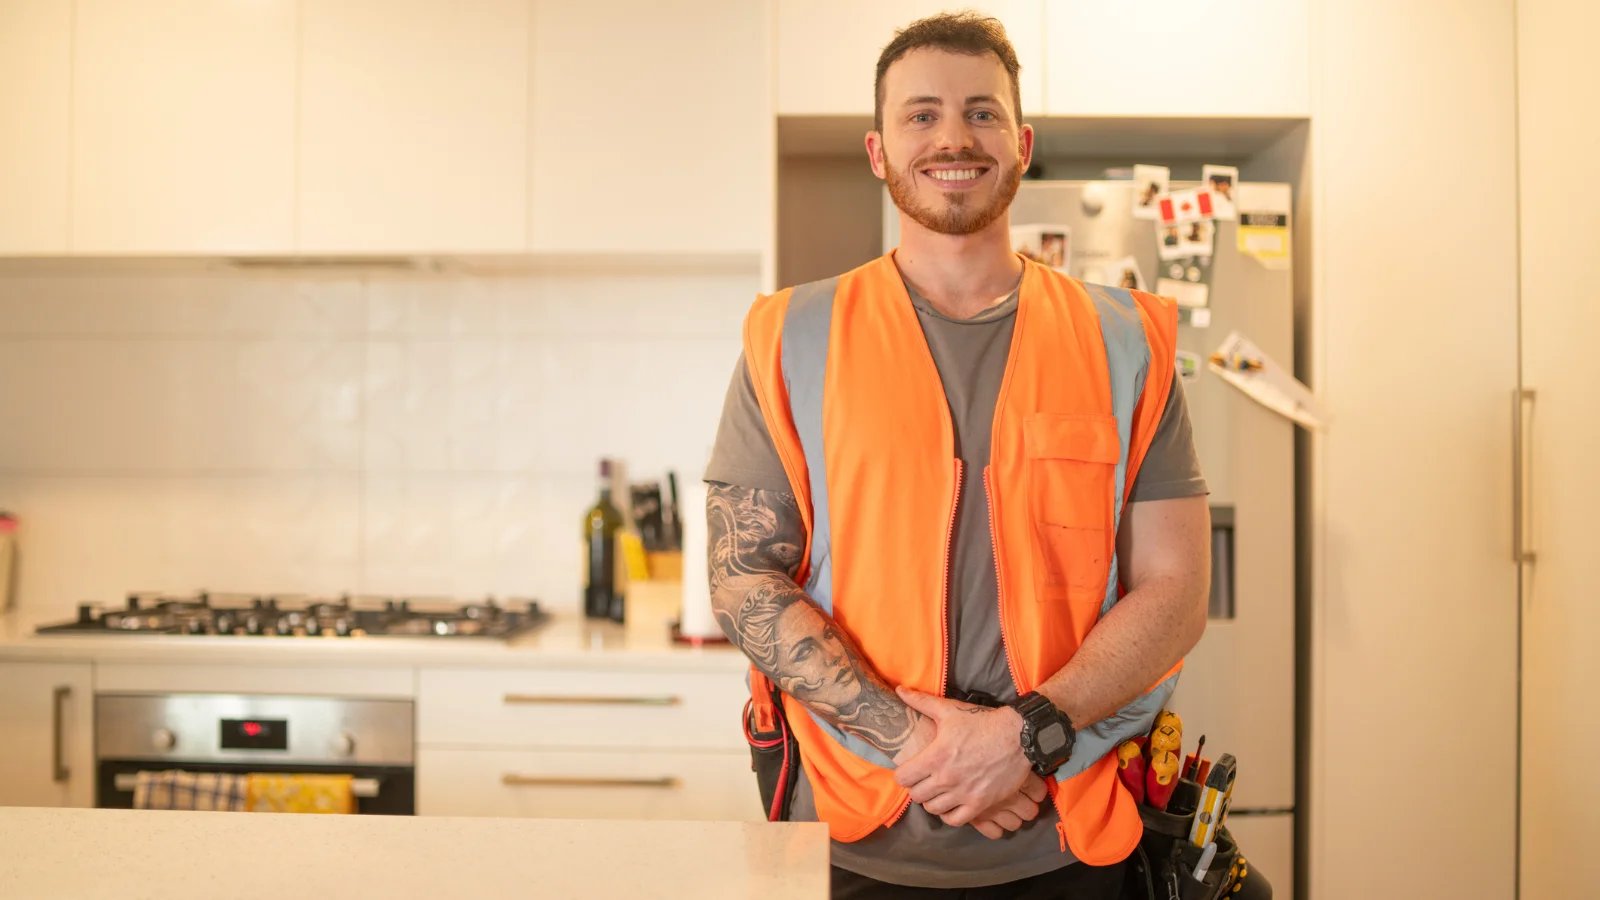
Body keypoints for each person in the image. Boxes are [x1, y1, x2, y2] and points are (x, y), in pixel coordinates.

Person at [705, 12, 1211, 899]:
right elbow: (744, 576)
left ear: (1021, 143)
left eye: (981, 113)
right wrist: (921, 746)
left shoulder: (1126, 341)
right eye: (921, 114)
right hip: (847, 828)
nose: (952, 137)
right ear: (878, 149)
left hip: (1071, 830)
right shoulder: (789, 338)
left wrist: (1019, 739)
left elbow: (1176, 591)